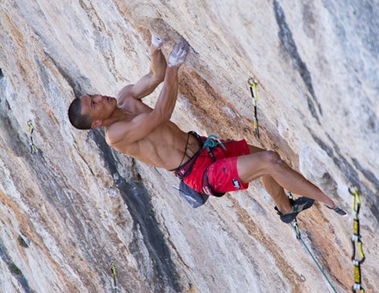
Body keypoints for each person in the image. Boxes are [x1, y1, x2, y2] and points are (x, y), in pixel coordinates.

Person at [68, 35, 345, 222]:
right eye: (94, 103)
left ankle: (286, 210)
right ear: (97, 123)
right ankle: (330, 202)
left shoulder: (126, 96)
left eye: (93, 95)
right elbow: (162, 114)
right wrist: (175, 68)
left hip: (203, 149)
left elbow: (156, 76)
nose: (99, 97)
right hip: (200, 173)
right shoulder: (115, 136)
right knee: (269, 162)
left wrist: (155, 50)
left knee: (265, 157)